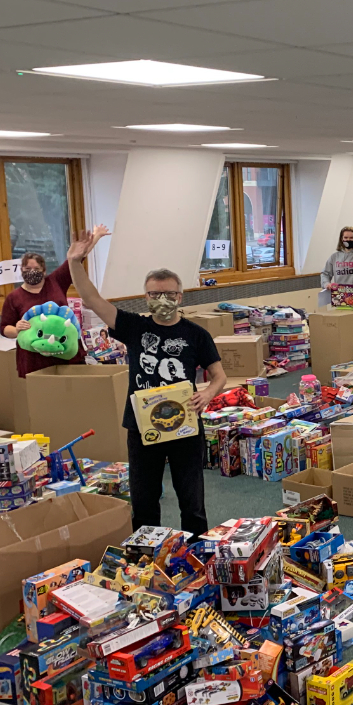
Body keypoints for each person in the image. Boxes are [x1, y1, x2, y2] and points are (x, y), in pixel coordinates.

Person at [66, 226, 226, 537]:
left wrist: (207, 393)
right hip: (142, 427)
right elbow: (90, 298)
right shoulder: (132, 326)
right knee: (144, 502)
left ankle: (196, 553)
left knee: (192, 503)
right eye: (155, 294)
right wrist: (75, 261)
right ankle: (146, 558)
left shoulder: (196, 334)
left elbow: (218, 375)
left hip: (185, 425)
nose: (162, 299)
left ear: (180, 296)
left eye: (169, 294)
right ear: (146, 296)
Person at [0, 245, 101, 377]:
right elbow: (4, 328)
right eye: (27, 269)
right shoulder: (14, 297)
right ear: (21, 270)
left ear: (44, 271)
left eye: (36, 269)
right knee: (45, 394)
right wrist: (16, 329)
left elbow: (76, 258)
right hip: (35, 360)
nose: (32, 272)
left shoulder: (56, 281)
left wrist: (96, 237)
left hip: (66, 353)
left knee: (75, 392)